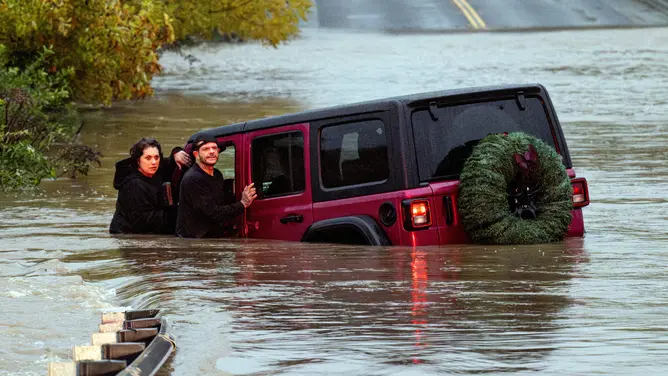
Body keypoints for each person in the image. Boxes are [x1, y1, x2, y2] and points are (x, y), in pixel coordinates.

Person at [176, 134, 257, 238]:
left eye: (214, 148)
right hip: (194, 241)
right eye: (206, 149)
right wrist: (242, 204)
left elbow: (220, 202)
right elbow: (213, 213)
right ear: (196, 154)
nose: (211, 151)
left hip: (211, 237)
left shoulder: (217, 174)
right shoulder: (193, 178)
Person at [110, 137, 192, 234]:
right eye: (148, 158)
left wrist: (176, 153)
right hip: (128, 235)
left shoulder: (156, 170)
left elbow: (170, 162)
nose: (153, 162)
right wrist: (179, 212)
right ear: (138, 160)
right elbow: (146, 221)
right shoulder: (133, 184)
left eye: (156, 157)